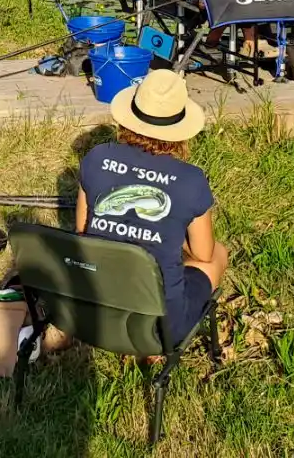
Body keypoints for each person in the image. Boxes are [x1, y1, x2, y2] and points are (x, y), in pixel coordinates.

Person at [76, 69, 228, 346]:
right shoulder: (191, 179)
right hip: (161, 329)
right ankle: (155, 347)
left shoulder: (96, 158)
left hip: (97, 308)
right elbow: (202, 253)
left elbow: (82, 229)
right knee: (218, 253)